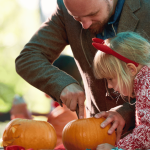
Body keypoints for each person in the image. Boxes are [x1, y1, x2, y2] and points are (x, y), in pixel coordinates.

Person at [15, 0, 150, 142]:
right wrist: (62, 83)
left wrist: (126, 112)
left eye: (93, 14)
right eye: (77, 19)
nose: (85, 25)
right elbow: (28, 58)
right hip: (94, 136)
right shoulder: (64, 9)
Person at [93, 32, 150, 150]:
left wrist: (118, 148)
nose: (109, 86)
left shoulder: (146, 83)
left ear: (131, 69)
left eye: (110, 78)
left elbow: (147, 132)